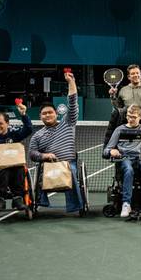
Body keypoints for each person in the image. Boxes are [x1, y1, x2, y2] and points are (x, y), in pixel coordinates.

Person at [28, 70, 83, 213]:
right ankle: (42, 202)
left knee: (70, 170)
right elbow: (32, 153)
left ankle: (74, 206)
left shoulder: (68, 122)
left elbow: (73, 102)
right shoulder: (37, 135)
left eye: (50, 112)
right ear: (40, 117)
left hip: (68, 163)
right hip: (49, 166)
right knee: (41, 172)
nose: (47, 115)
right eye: (44, 113)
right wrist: (44, 156)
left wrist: (71, 82)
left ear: (56, 113)